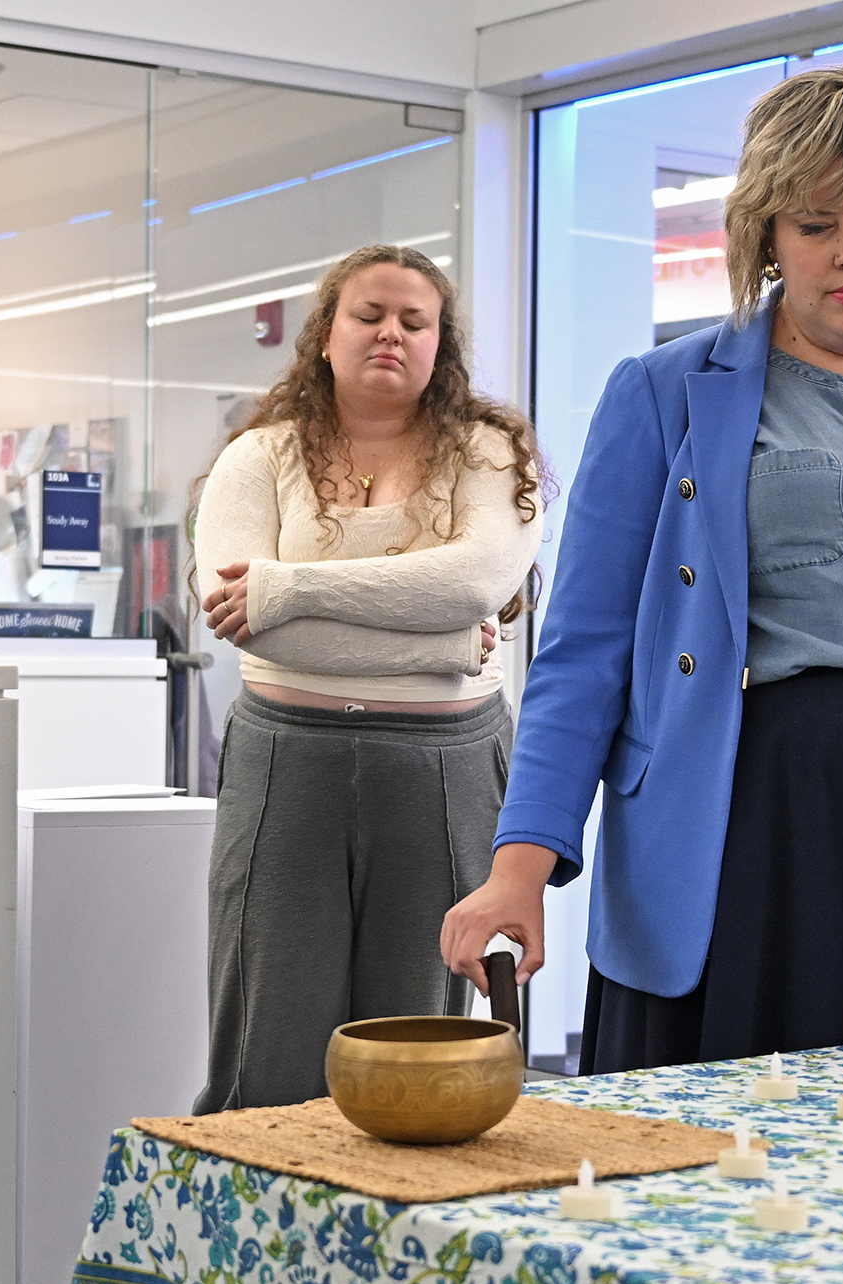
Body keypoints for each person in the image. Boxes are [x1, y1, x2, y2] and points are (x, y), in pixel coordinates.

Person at [441, 63, 843, 1068]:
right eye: (815, 224)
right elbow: (587, 648)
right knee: (762, 1148)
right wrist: (520, 866)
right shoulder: (666, 392)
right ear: (767, 233)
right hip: (773, 826)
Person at [190, 244, 545, 1112]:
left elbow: (473, 584)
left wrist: (287, 588)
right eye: (369, 315)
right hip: (288, 762)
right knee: (265, 1051)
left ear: (440, 344)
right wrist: (445, 644)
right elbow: (253, 634)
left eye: (414, 322)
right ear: (325, 335)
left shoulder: (490, 455)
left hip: (445, 766)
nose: (391, 333)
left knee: (420, 1052)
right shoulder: (257, 458)